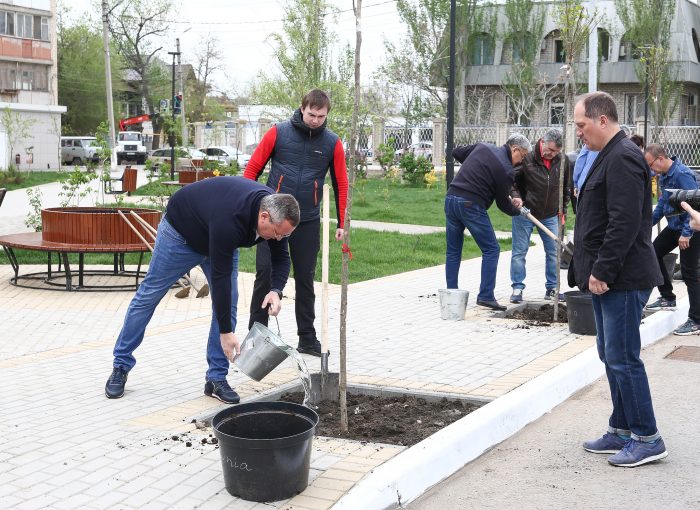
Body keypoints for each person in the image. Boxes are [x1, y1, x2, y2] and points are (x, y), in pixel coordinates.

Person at [105, 177, 300, 403]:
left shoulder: (277, 210)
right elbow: (220, 278)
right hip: (181, 236)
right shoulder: (232, 219)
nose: (278, 239)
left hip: (219, 236)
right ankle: (120, 365)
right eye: (278, 233)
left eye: (284, 235)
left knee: (230, 302)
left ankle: (216, 378)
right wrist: (226, 333)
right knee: (148, 296)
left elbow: (281, 257)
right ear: (263, 216)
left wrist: (276, 290)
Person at [572, 91, 667, 467]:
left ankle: (648, 437)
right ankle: (622, 429)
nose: (578, 132)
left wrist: (602, 270)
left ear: (602, 120)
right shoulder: (607, 155)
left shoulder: (623, 157)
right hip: (609, 276)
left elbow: (625, 223)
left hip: (621, 277)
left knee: (624, 358)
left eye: (581, 125)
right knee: (609, 355)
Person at [244, 89, 348, 357]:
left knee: (305, 279)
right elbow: (252, 169)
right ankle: (256, 337)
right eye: (311, 114)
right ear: (302, 109)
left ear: (327, 115)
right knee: (265, 275)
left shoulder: (332, 143)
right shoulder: (278, 132)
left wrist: (341, 221)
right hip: (273, 217)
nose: (315, 120)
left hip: (308, 220)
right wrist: (248, 208)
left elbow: (341, 183)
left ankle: (307, 338)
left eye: (321, 116)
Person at [445, 133, 530, 311]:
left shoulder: (482, 147)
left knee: (453, 250)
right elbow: (502, 204)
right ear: (514, 149)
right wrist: (517, 211)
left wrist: (476, 167)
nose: (520, 162)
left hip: (451, 199)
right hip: (470, 204)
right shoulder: (506, 169)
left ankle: (451, 294)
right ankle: (486, 296)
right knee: (492, 249)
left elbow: (456, 152)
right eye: (521, 157)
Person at [643, 144, 700, 335]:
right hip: (674, 227)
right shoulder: (664, 176)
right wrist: (646, 224)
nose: (651, 170)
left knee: (690, 274)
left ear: (660, 159)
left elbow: (694, 205)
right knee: (653, 252)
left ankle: (696, 320)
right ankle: (667, 297)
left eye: (651, 165)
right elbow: (662, 204)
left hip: (691, 229)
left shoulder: (682, 175)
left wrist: (687, 233)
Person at [509, 129, 571, 303]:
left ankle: (552, 288)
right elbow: (511, 180)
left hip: (551, 214)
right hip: (525, 213)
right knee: (519, 252)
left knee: (553, 252)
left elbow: (565, 187)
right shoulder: (527, 158)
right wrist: (516, 197)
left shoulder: (563, 160)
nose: (552, 155)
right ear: (542, 141)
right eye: (550, 150)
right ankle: (517, 288)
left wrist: (563, 210)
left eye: (556, 152)